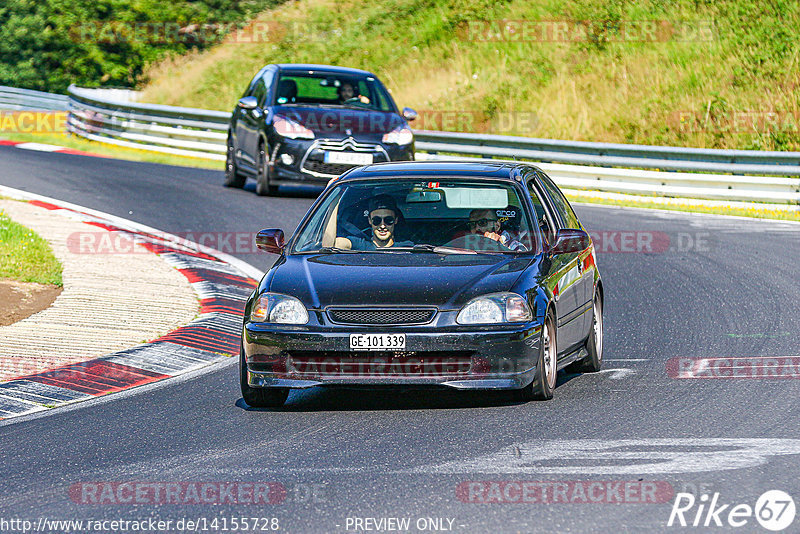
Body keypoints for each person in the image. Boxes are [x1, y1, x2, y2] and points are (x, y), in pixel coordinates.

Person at [335, 195, 412, 250]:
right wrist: (334, 202)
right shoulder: (360, 245)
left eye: (388, 220)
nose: (382, 225)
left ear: (396, 220)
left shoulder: (407, 248)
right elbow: (331, 245)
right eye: (377, 220)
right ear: (369, 220)